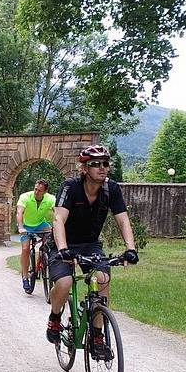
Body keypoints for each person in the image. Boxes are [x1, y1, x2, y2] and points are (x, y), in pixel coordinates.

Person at [45, 145, 138, 356]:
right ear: (84, 168)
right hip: (63, 243)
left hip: (91, 244)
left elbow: (123, 220)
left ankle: (97, 335)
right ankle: (55, 316)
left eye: (105, 163)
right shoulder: (70, 187)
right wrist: (63, 248)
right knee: (65, 282)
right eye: (95, 164)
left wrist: (130, 248)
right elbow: (59, 219)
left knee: (103, 278)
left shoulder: (111, 189)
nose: (102, 168)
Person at [16, 179, 55, 293]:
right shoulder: (25, 197)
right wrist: (20, 227)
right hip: (26, 226)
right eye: (35, 189)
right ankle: (24, 276)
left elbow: (57, 211)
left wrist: (58, 226)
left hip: (40, 224)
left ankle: (43, 256)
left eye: (40, 191)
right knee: (26, 248)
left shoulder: (50, 198)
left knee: (52, 236)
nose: (36, 192)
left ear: (45, 192)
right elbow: (19, 212)